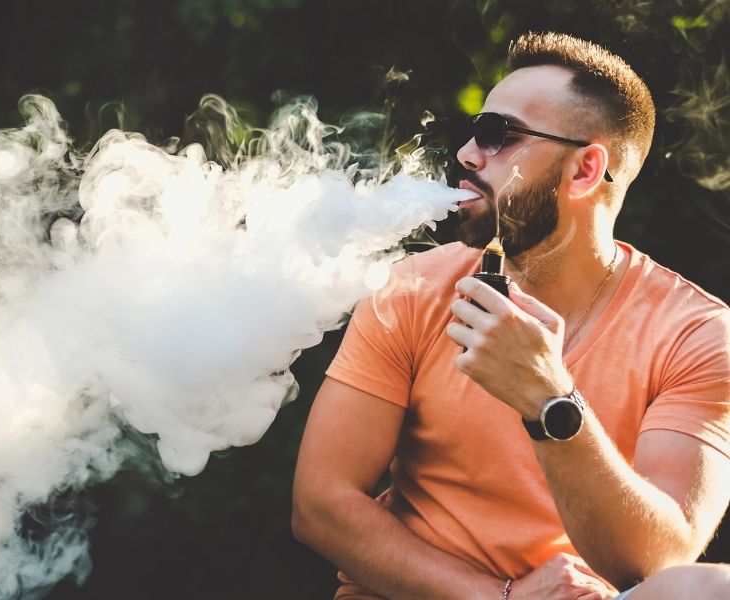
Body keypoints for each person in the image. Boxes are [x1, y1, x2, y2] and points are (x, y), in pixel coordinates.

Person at [292, 32, 730, 600]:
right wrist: (495, 597)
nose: (467, 155)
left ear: (584, 170)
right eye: (475, 133)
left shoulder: (697, 333)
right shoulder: (413, 289)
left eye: (499, 135)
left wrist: (548, 400)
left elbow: (654, 563)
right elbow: (320, 504)